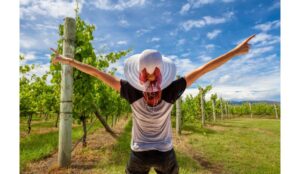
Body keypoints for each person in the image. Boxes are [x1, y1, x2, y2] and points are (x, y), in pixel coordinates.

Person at [51, 34, 255, 174]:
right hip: (165, 153)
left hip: (138, 153)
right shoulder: (172, 90)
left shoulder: (131, 91)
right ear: (163, 71)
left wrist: (67, 60)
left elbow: (95, 72)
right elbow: (204, 69)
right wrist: (235, 51)